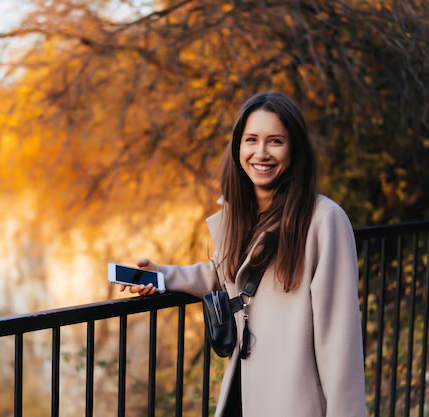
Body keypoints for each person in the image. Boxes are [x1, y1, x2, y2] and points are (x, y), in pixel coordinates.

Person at [119, 92, 366, 417]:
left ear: (294, 149)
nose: (261, 153)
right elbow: (221, 276)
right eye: (251, 140)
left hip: (294, 400)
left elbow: (340, 340)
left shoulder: (323, 220)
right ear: (238, 147)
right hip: (245, 390)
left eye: (275, 141)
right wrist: (159, 276)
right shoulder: (241, 215)